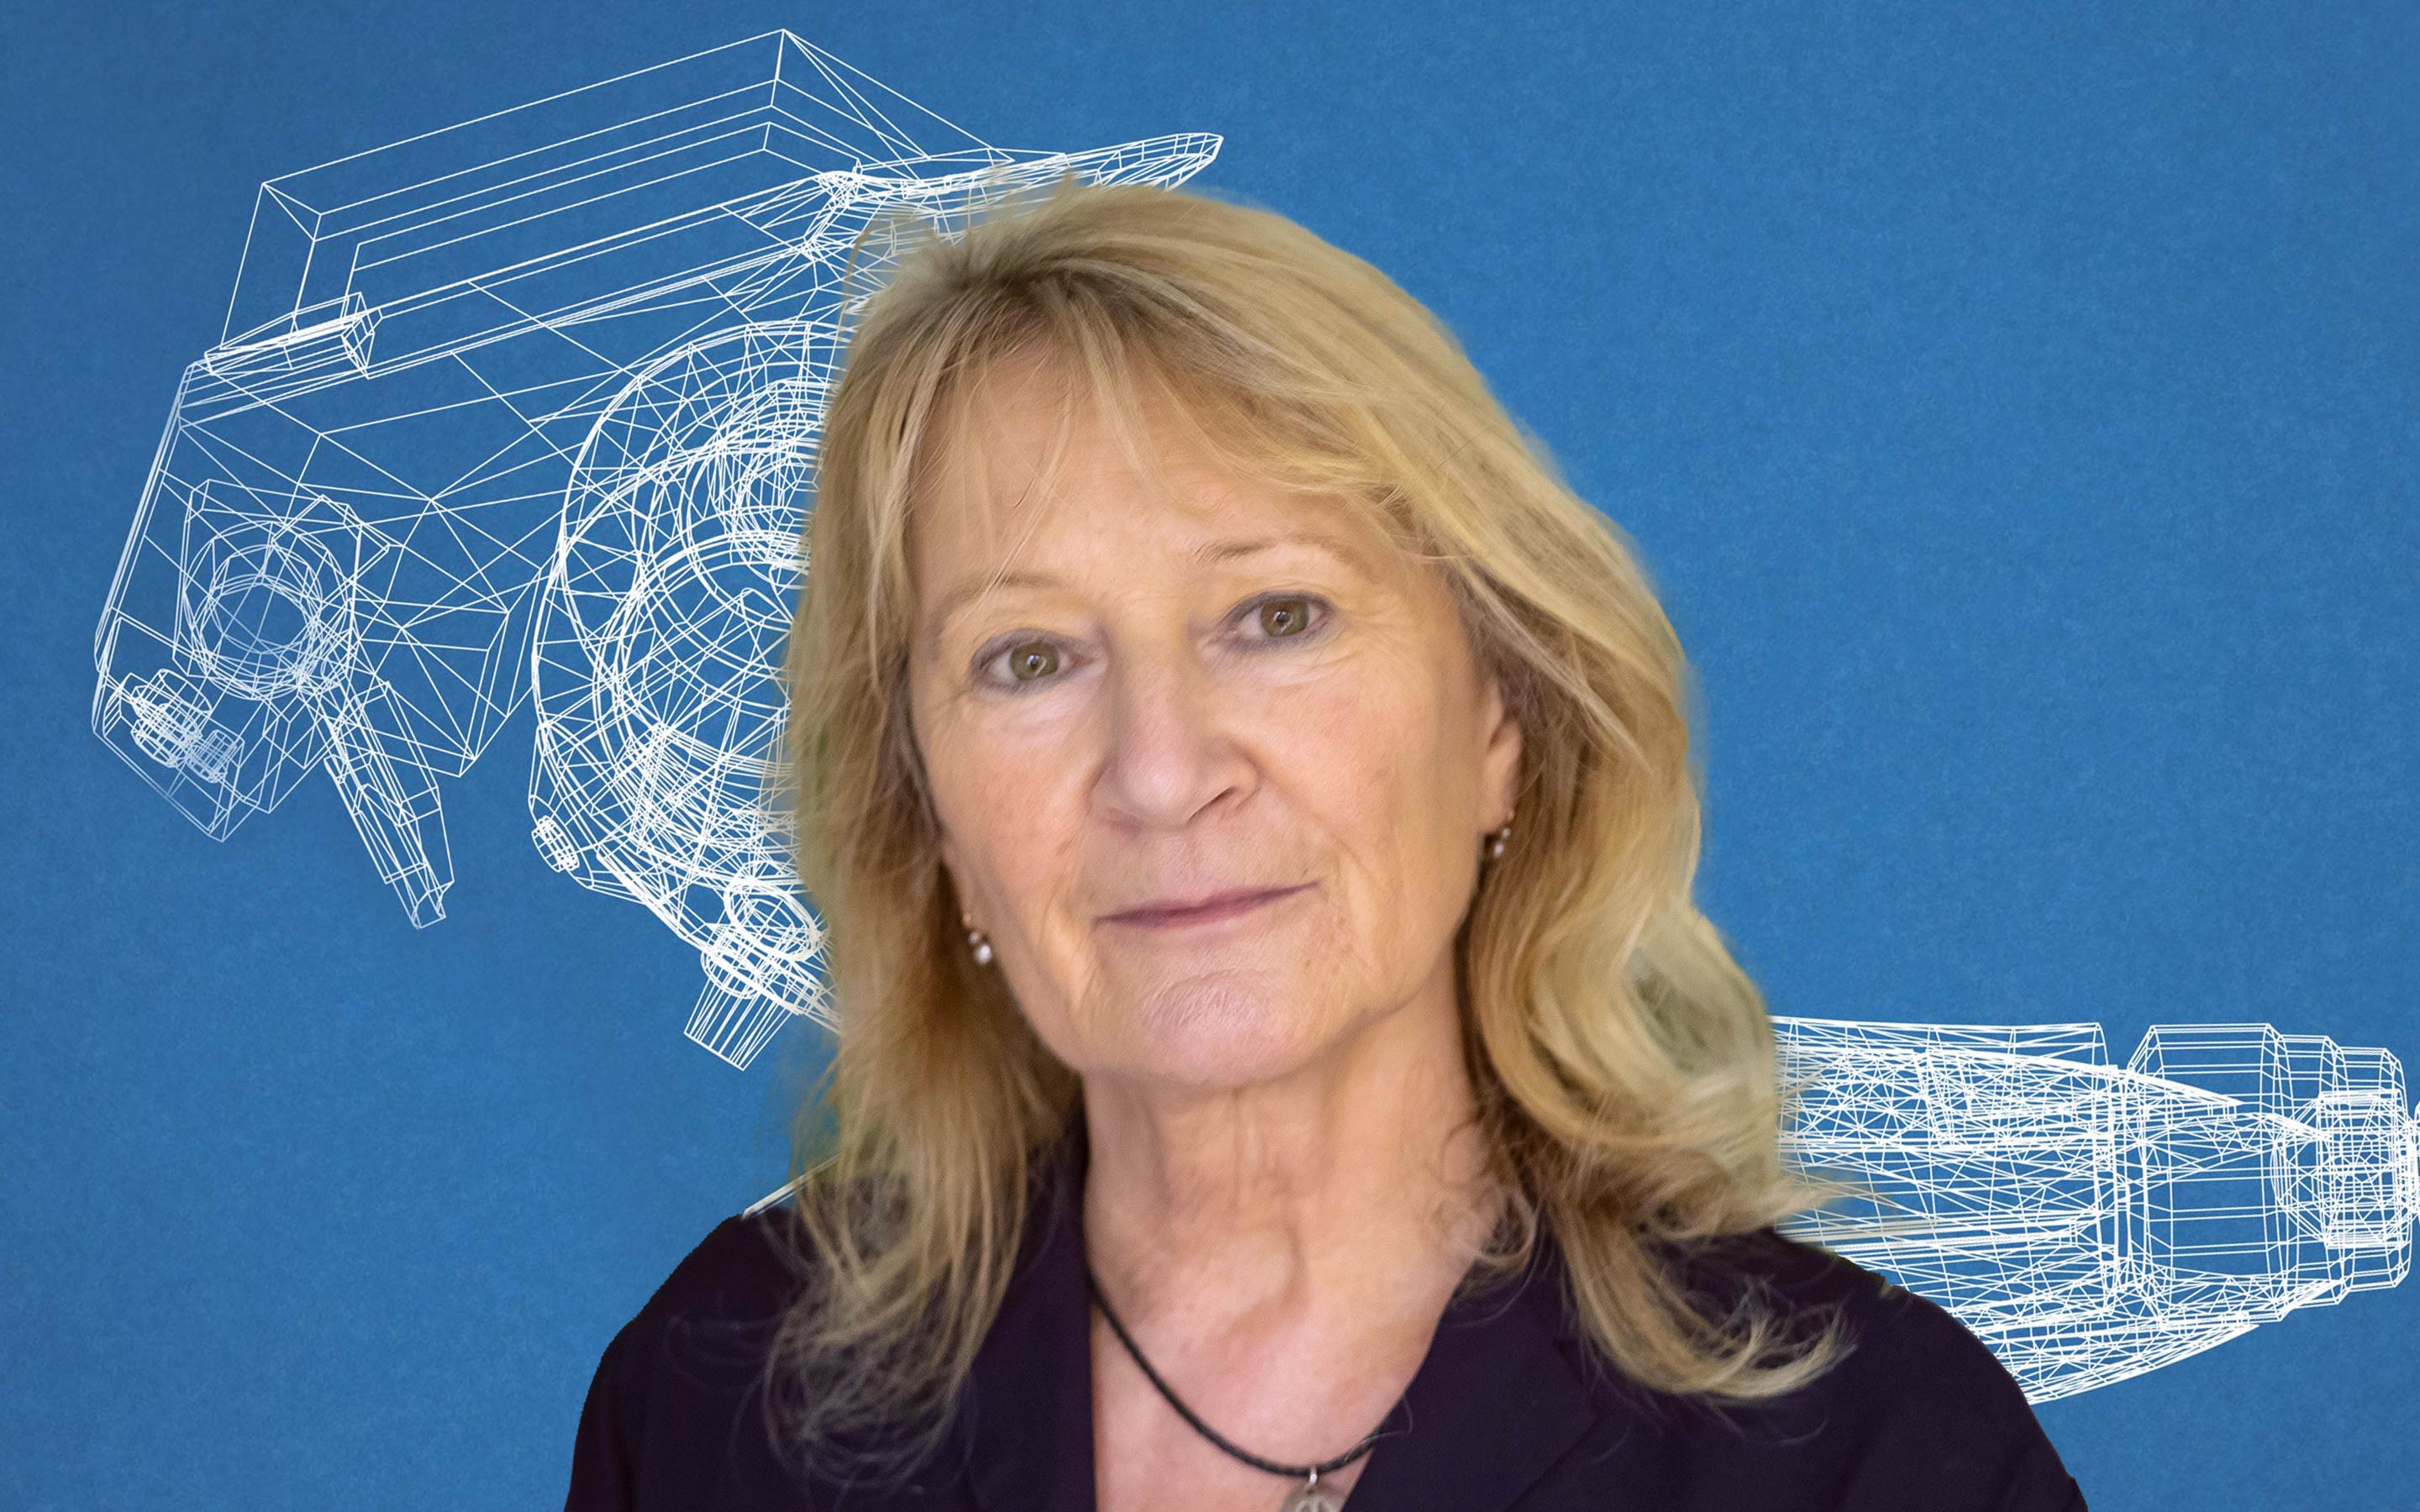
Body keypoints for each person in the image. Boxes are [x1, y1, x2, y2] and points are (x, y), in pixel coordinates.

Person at [566, 174, 2086, 1512]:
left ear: (1500, 723)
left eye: (1276, 617)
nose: (1162, 775)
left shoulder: (1870, 1458)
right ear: (935, 819)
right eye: (1029, 659)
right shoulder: (716, 1407)